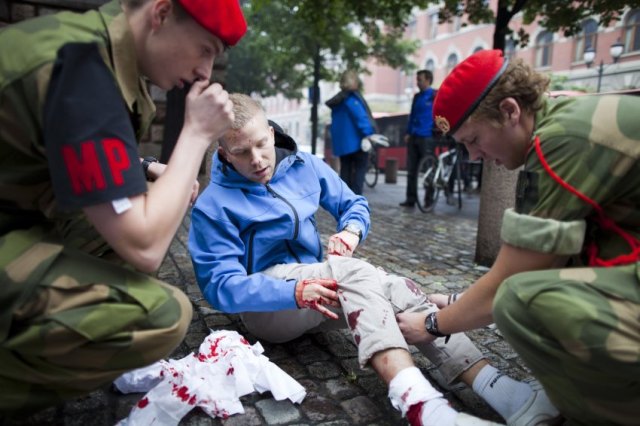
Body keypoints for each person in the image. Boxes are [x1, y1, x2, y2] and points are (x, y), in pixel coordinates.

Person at [189, 93, 560, 426]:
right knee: (355, 273)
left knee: (397, 290)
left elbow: (354, 204)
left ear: (271, 133)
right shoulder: (213, 205)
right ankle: (422, 406)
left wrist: (351, 231)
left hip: (319, 294)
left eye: (261, 144)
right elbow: (220, 286)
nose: (256, 160)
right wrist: (294, 291)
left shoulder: (306, 166)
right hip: (269, 309)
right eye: (241, 152)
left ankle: (504, 393)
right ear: (224, 153)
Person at [0, 0, 246, 413]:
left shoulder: (93, 52)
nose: (205, 72)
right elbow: (144, 245)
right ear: (161, 13)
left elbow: (81, 147)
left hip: (20, 217)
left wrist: (147, 168)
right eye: (205, 49)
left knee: (144, 202)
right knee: (162, 315)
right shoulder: (83, 71)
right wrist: (197, 134)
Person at [396, 49, 640, 425]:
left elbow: (511, 280)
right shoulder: (558, 117)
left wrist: (431, 325)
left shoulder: (558, 140)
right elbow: (550, 253)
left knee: (519, 300)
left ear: (509, 111)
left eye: (474, 139)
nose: (473, 156)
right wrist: (459, 302)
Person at [325, 70, 376, 195]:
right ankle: (356, 200)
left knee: (345, 172)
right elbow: (361, 118)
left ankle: (345, 199)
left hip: (343, 145)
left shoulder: (338, 102)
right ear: (352, 82)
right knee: (360, 170)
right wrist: (369, 134)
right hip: (356, 143)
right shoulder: (351, 99)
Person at [399, 69, 438, 208]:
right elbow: (412, 115)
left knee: (428, 169)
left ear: (428, 80)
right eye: (417, 80)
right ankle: (410, 199)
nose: (417, 82)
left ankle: (429, 199)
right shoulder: (416, 97)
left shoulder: (434, 95)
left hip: (427, 137)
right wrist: (408, 132)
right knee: (412, 170)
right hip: (414, 136)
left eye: (420, 80)